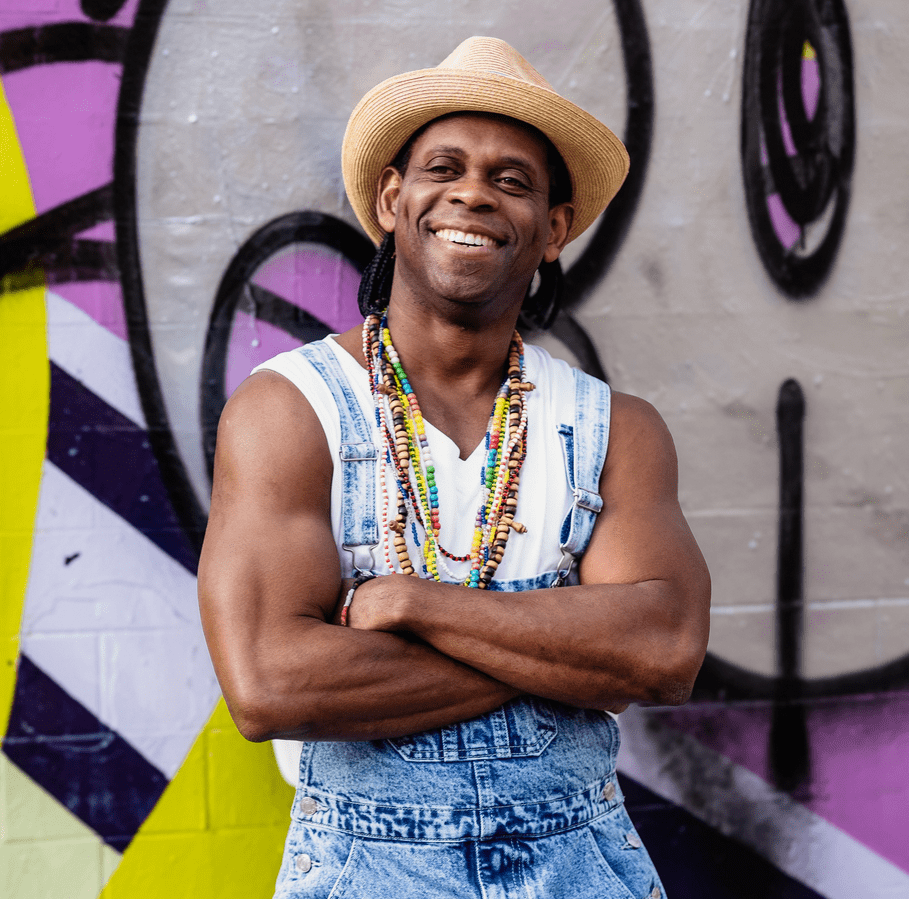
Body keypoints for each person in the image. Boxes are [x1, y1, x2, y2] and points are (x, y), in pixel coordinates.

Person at [198, 36, 710, 899]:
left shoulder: (614, 429)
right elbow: (270, 683)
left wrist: (412, 605)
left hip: (581, 864)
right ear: (392, 199)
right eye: (444, 168)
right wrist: (570, 654)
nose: (473, 192)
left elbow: (662, 653)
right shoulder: (290, 410)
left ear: (553, 229)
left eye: (511, 179)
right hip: (368, 868)